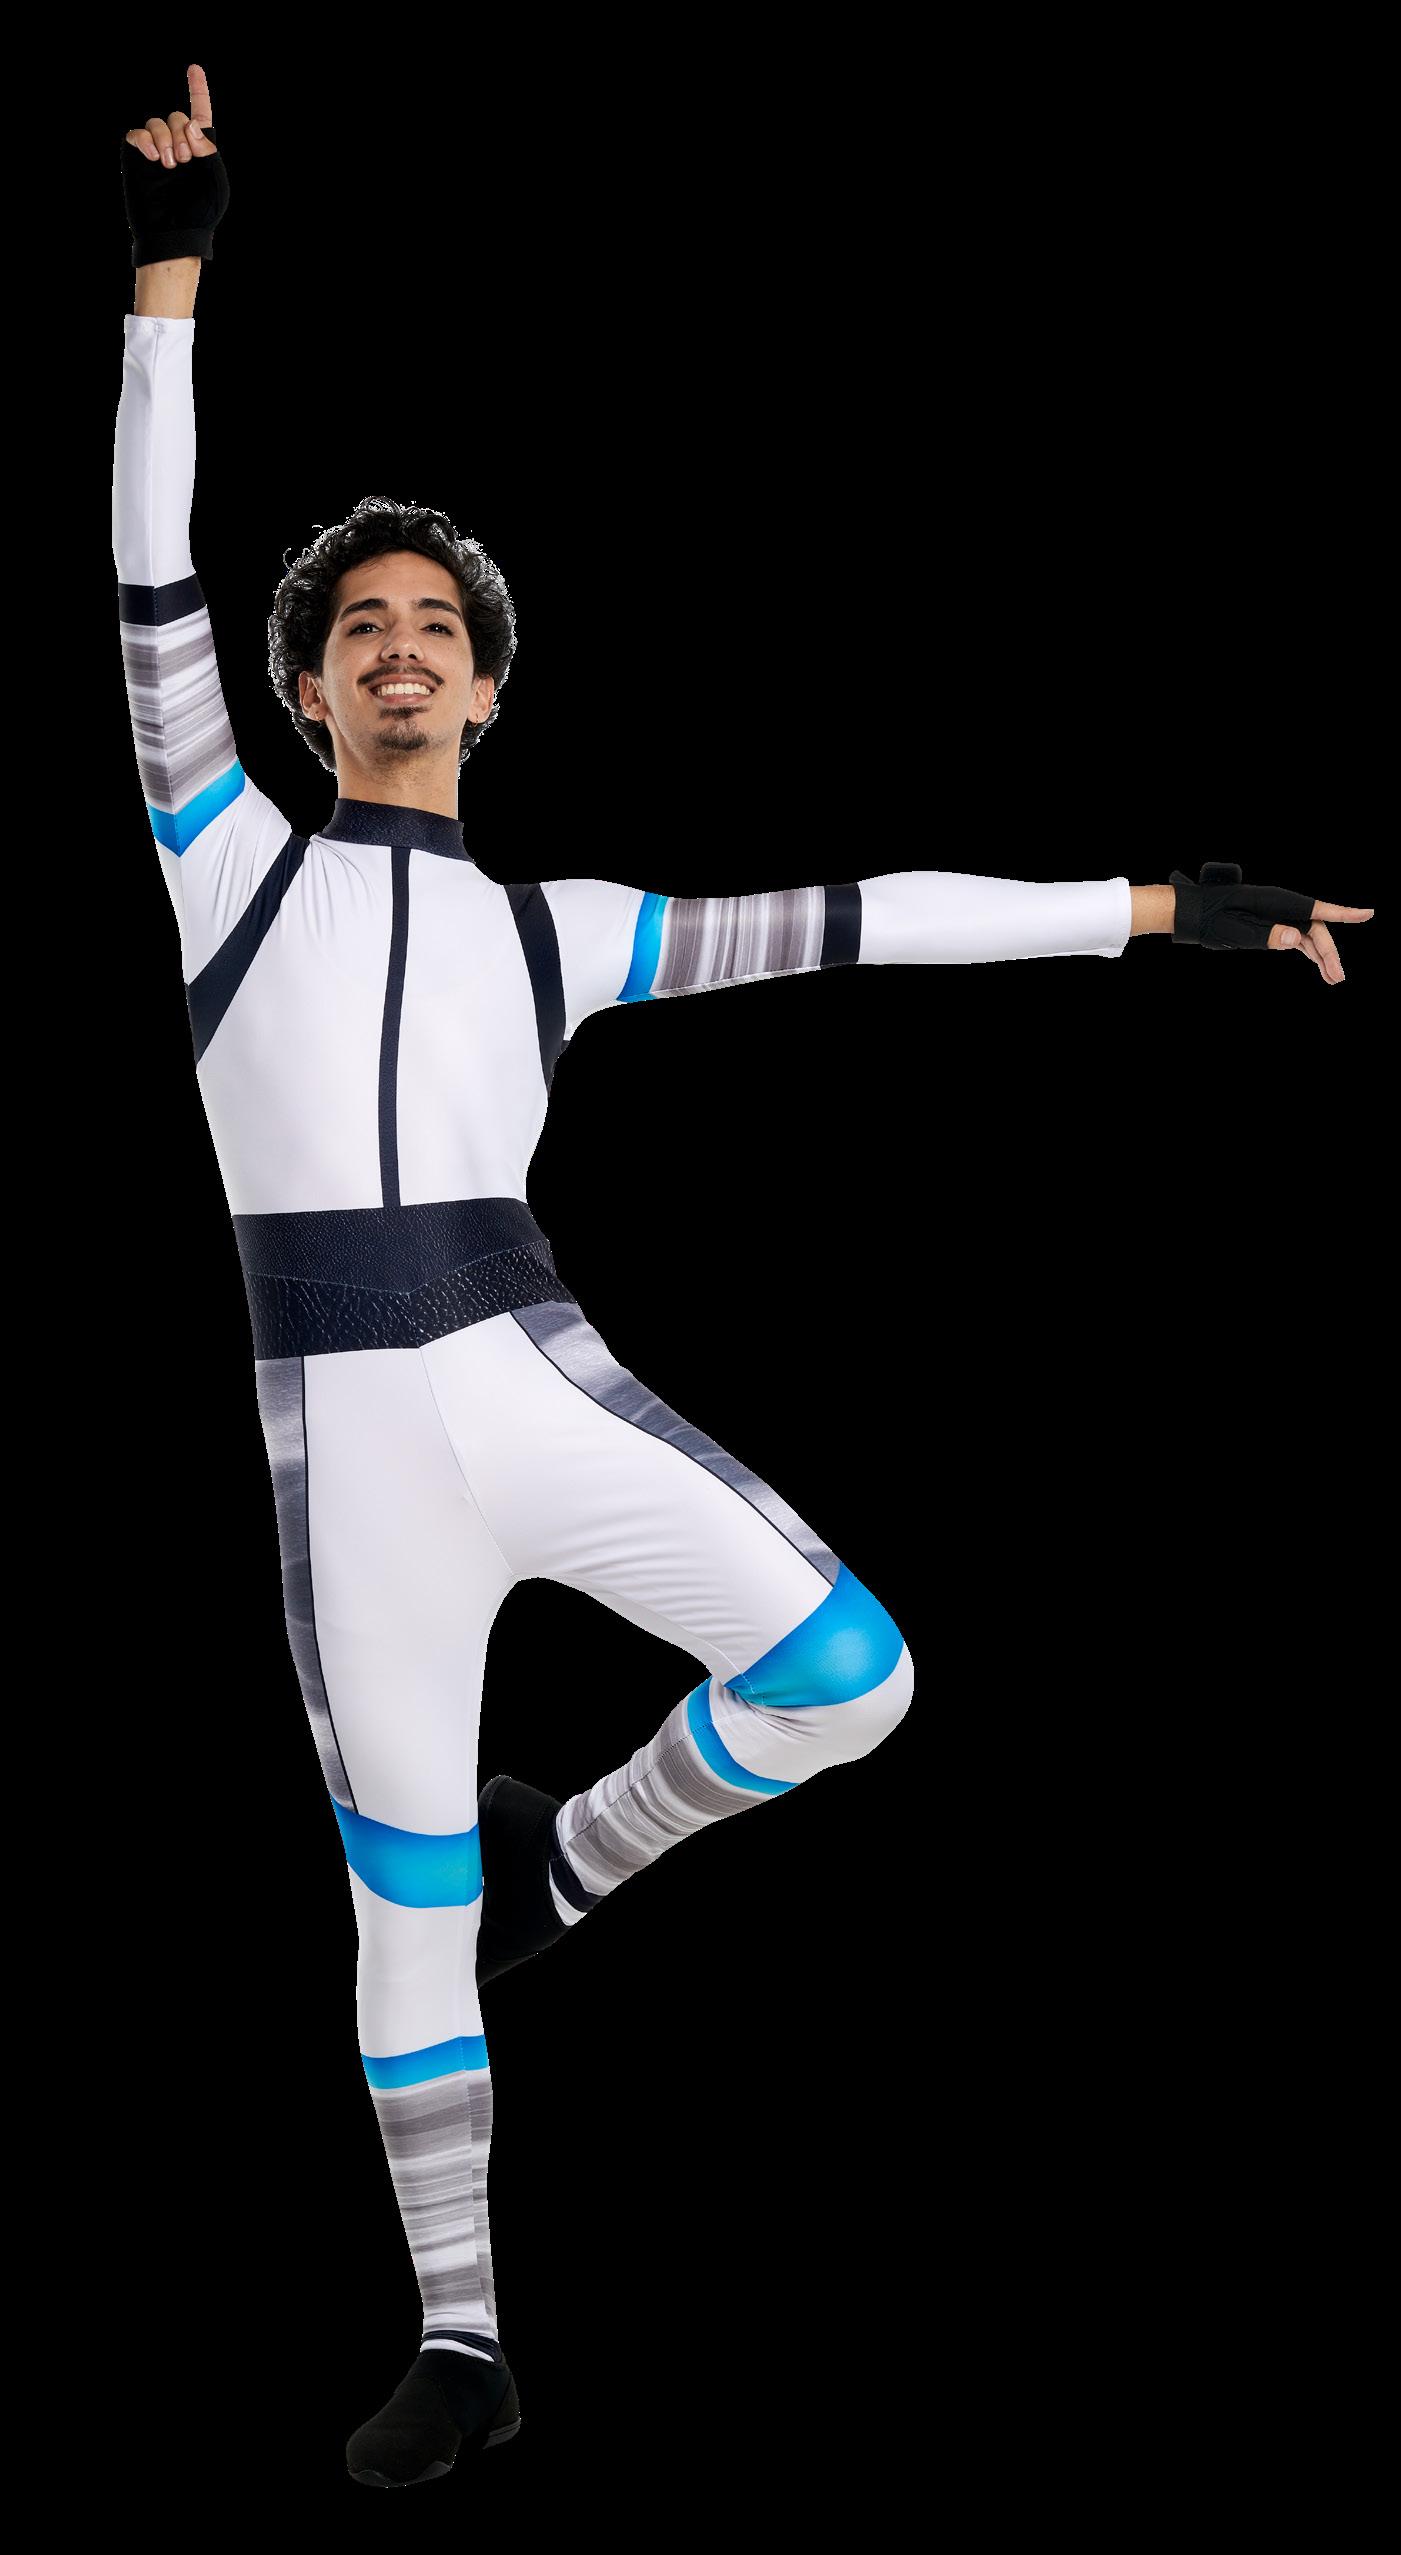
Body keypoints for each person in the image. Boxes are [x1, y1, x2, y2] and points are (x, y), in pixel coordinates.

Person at [115, 66, 1376, 2490]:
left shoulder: (556, 930)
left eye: (434, 632)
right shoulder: (222, 864)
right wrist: (167, 287)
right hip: (344, 1462)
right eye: (360, 634)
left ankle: (577, 1857)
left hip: (528, 1374)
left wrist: (1147, 910)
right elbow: (147, 583)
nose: (398, 655)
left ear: (488, 688)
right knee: (392, 1909)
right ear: (307, 696)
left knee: (853, 1679)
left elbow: (859, 918)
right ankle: (465, 2340)